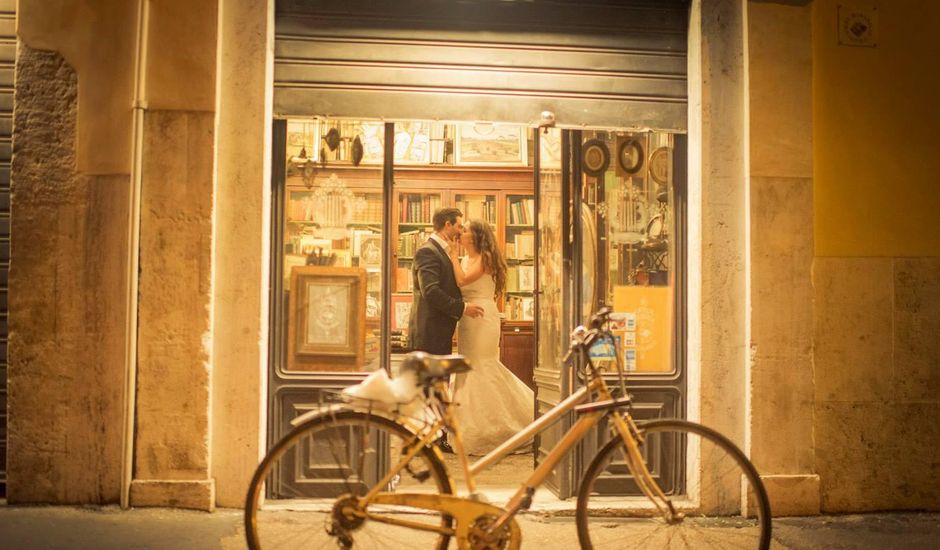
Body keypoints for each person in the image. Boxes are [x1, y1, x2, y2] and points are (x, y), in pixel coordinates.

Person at [447, 219, 534, 455]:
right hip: (468, 318)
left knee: (483, 366)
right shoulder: (467, 258)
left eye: (464, 231)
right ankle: (473, 427)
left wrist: (453, 255)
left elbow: (463, 280)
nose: (460, 233)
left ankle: (514, 423)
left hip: (483, 317)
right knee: (468, 367)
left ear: (475, 237)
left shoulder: (484, 258)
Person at [408, 207, 485, 355]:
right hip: (429, 335)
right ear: (448, 225)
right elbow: (430, 291)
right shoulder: (428, 251)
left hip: (438, 334)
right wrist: (462, 308)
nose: (461, 231)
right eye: (459, 226)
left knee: (441, 378)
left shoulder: (443, 251)